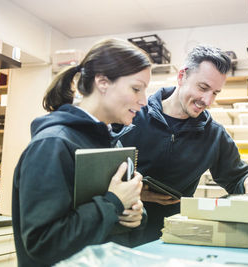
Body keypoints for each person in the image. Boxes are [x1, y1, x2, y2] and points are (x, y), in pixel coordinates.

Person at [12, 38, 151, 266]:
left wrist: (134, 215)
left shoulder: (112, 144)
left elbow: (107, 223)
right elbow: (43, 243)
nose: (144, 101)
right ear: (103, 82)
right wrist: (113, 203)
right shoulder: (51, 145)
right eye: (136, 88)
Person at [119, 44, 248, 244]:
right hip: (119, 233)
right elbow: (91, 179)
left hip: (173, 238)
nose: (207, 100)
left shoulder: (214, 134)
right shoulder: (131, 116)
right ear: (182, 76)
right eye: (203, 87)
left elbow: (237, 177)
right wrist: (136, 193)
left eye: (215, 92)